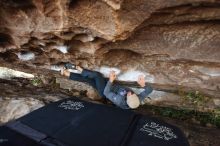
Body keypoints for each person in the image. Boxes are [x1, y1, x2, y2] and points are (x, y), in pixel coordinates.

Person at [61, 63, 153, 109]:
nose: (130, 93)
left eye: (129, 95)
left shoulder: (120, 100)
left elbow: (106, 92)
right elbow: (149, 89)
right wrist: (143, 84)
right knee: (88, 80)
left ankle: (78, 68)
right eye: (133, 94)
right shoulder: (137, 100)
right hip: (111, 87)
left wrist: (111, 80)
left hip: (105, 91)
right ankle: (67, 74)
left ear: (126, 100)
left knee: (97, 76)